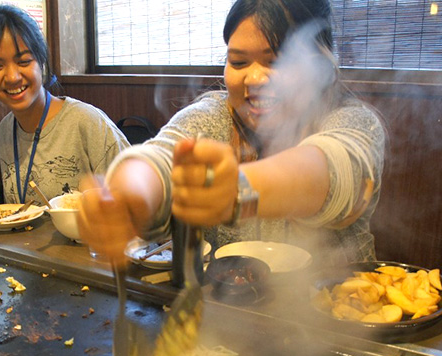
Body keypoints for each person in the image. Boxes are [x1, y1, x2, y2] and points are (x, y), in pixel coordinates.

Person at [78, 0, 385, 269]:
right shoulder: (212, 118)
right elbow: (159, 159)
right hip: (228, 317)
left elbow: (333, 171)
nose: (253, 79)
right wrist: (126, 198)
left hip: (343, 323)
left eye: (275, 61)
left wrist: (237, 192)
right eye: (238, 62)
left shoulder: (354, 123)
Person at [0, 5, 129, 204]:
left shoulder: (87, 122)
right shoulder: (6, 129)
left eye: (24, 61)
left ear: (41, 61)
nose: (12, 77)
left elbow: (139, 201)